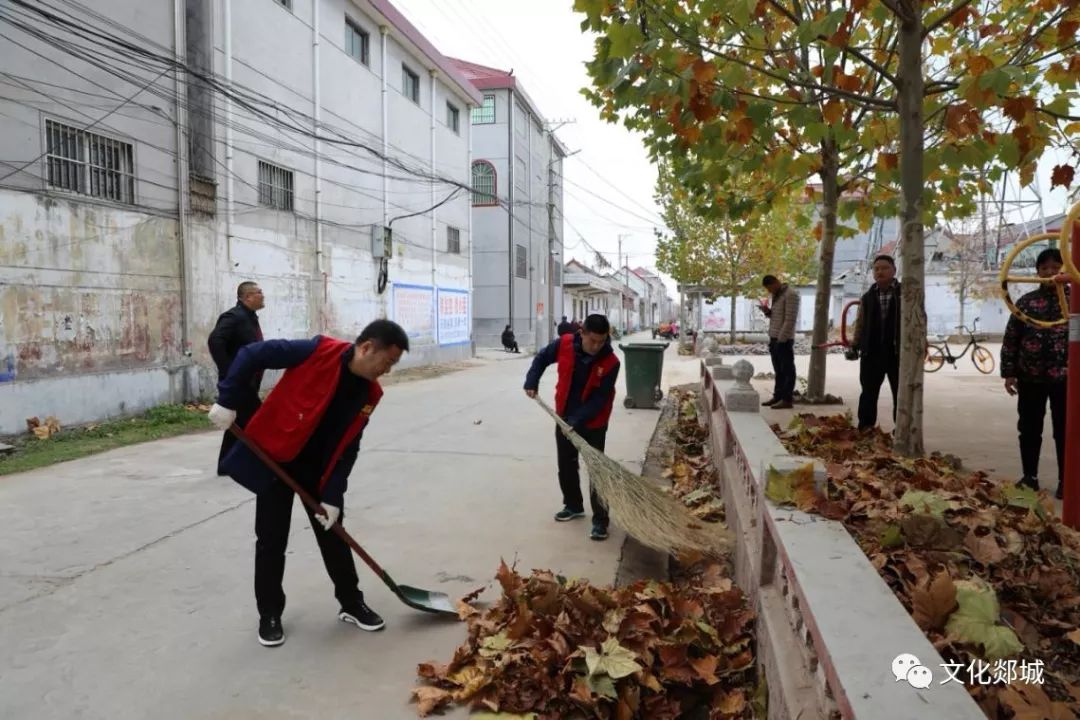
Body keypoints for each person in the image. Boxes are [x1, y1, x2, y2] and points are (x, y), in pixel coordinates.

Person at [207, 319, 409, 648]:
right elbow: (250, 355)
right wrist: (228, 400)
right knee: (271, 540)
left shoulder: (370, 393)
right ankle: (269, 614)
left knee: (334, 535)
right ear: (367, 347)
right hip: (277, 461)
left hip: (318, 473)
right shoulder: (317, 351)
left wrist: (333, 496)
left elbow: (349, 448)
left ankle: (351, 602)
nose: (387, 369)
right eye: (388, 361)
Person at [523, 314, 621, 541]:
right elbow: (541, 358)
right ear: (582, 333)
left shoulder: (611, 362)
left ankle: (600, 521)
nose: (597, 346)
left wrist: (576, 421)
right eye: (593, 340)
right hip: (564, 415)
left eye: (602, 341)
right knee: (566, 464)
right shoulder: (565, 344)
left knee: (597, 470)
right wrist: (532, 380)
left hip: (594, 421)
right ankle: (573, 505)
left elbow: (600, 399)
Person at [1001, 248, 1068, 499]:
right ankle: (1030, 477)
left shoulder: (1076, 300)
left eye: (1055, 267)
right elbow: (1012, 338)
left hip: (1065, 377)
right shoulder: (1026, 302)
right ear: (1037, 272)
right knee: (1029, 428)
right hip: (1031, 376)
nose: (1050, 272)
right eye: (1044, 268)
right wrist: (1009, 372)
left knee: (1065, 430)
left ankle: (1067, 480)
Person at [207, 281, 265, 475]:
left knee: (239, 423)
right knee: (257, 420)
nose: (262, 295)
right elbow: (215, 340)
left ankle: (226, 465)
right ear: (247, 297)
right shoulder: (235, 316)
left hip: (248, 381)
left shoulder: (249, 317)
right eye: (259, 292)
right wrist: (230, 371)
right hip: (240, 382)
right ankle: (256, 463)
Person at [848, 255, 901, 431]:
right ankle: (865, 426)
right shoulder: (868, 297)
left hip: (898, 353)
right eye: (876, 269)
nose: (880, 272)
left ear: (894, 270)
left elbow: (919, 321)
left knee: (901, 393)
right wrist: (855, 346)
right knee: (868, 392)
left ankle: (901, 428)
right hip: (872, 352)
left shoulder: (906, 294)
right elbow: (860, 323)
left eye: (884, 268)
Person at [761, 274, 800, 409]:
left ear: (776, 282)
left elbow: (790, 320)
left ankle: (787, 399)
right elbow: (777, 316)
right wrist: (767, 312)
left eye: (769, 288)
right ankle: (778, 396)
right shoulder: (777, 295)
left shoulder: (791, 295)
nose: (769, 291)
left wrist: (781, 340)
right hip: (774, 337)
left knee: (787, 370)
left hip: (784, 339)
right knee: (778, 370)